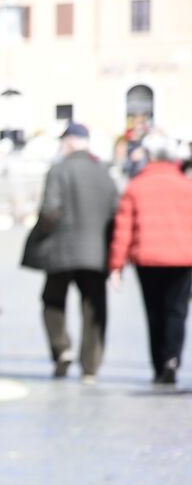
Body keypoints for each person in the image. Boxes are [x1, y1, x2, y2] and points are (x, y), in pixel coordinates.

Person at [33, 123, 120, 381]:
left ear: (71, 141)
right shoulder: (103, 172)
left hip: (61, 250)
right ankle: (90, 365)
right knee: (94, 307)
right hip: (95, 252)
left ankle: (62, 349)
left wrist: (42, 236)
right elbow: (116, 211)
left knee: (52, 301)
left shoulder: (59, 170)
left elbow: (50, 210)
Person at [109, 132, 192, 385]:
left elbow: (123, 228)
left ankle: (158, 364)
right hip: (183, 258)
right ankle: (172, 359)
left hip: (148, 259)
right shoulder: (186, 186)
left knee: (153, 311)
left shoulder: (136, 186)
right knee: (177, 312)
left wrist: (116, 265)